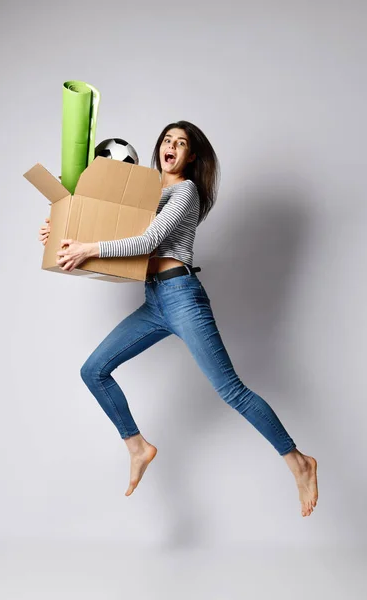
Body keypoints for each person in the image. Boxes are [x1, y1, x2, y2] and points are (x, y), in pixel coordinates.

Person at [38, 121, 318, 517]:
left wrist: (89, 247)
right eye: (167, 140)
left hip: (182, 297)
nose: (171, 146)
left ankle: (298, 460)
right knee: (94, 370)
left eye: (181, 143)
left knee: (232, 391)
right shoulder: (146, 193)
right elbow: (109, 230)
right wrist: (60, 232)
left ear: (191, 156)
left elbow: (147, 242)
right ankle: (137, 446)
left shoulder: (185, 191)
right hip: (154, 301)